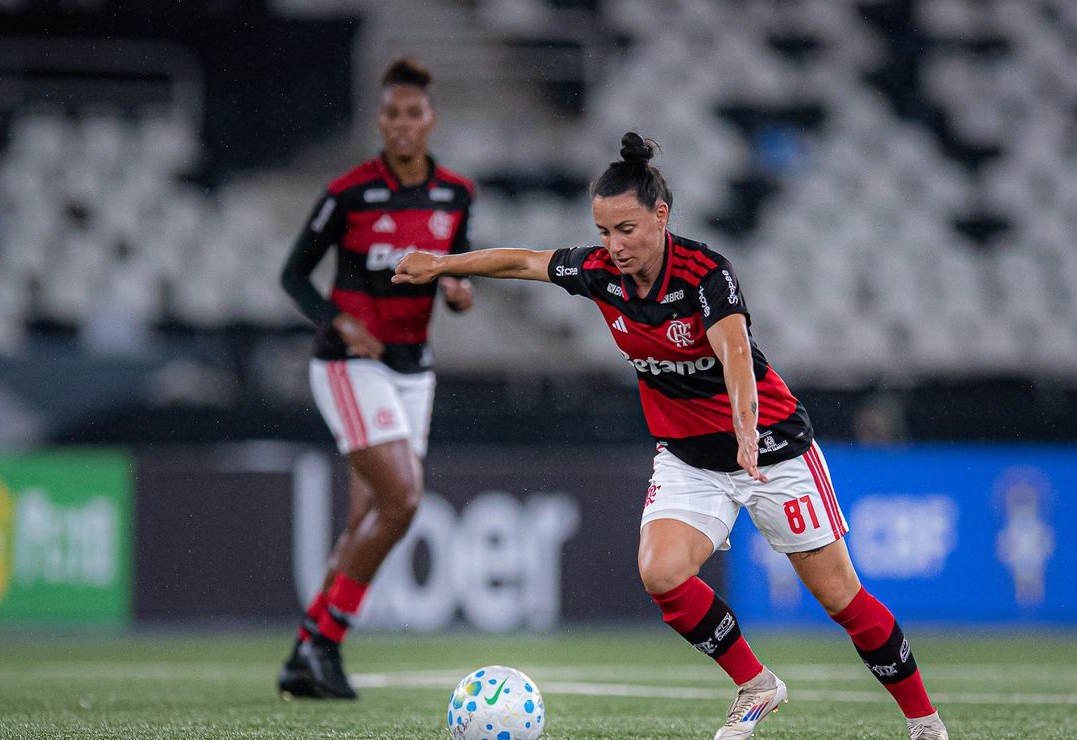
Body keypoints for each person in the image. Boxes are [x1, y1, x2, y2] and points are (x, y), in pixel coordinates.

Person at [393, 133, 949, 740]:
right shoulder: (599, 273)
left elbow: (736, 354)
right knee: (661, 574)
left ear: (662, 216)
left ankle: (924, 722)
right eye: (604, 231)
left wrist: (744, 428)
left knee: (843, 599)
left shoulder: (707, 274)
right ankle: (756, 684)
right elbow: (524, 261)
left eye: (626, 229)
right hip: (690, 460)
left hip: (771, 450)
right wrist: (442, 263)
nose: (614, 246)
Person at [278, 56, 475, 699]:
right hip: (350, 365)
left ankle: (304, 652)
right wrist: (340, 320)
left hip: (414, 372)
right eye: (391, 112)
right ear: (380, 119)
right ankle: (325, 644)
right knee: (404, 500)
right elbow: (292, 277)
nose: (402, 123)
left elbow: (453, 266)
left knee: (371, 516)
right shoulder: (348, 193)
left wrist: (456, 289)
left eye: (413, 112)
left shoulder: (456, 195)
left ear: (430, 119)